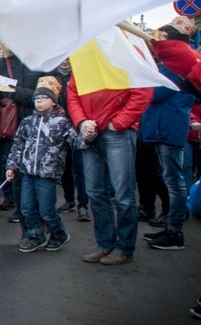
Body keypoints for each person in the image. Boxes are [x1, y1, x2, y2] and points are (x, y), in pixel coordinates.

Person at [67, 66, 152, 265]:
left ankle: (124, 248)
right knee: (96, 192)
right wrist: (81, 122)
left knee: (123, 194)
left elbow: (143, 90)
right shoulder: (84, 55)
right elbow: (73, 93)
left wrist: (120, 123)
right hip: (90, 131)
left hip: (117, 132)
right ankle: (105, 245)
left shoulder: (124, 49)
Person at [7, 76, 86, 252]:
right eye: (37, 98)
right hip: (27, 172)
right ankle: (36, 234)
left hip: (48, 174)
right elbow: (18, 145)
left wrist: (88, 135)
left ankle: (59, 233)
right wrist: (12, 165)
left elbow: (76, 142)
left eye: (44, 98)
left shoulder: (62, 122)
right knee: (26, 207)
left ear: (54, 101)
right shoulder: (28, 122)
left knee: (46, 209)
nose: (39, 102)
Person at [140, 17, 197, 250]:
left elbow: (157, 93)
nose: (161, 37)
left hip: (169, 126)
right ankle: (172, 226)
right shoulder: (176, 61)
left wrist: (140, 80)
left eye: (166, 34)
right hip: (166, 125)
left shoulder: (177, 62)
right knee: (171, 178)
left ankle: (175, 232)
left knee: (173, 181)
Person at [0, 46, 43, 232]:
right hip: (11, 129)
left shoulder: (42, 61)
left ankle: (40, 219)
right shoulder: (3, 63)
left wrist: (14, 90)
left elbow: (45, 96)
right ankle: (27, 225)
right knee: (15, 176)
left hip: (38, 129)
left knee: (37, 177)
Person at [52, 58, 90, 222]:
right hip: (60, 128)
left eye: (68, 58)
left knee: (80, 168)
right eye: (62, 58)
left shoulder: (81, 74)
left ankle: (83, 205)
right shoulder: (51, 76)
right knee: (64, 167)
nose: (65, 61)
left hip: (77, 125)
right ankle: (69, 200)